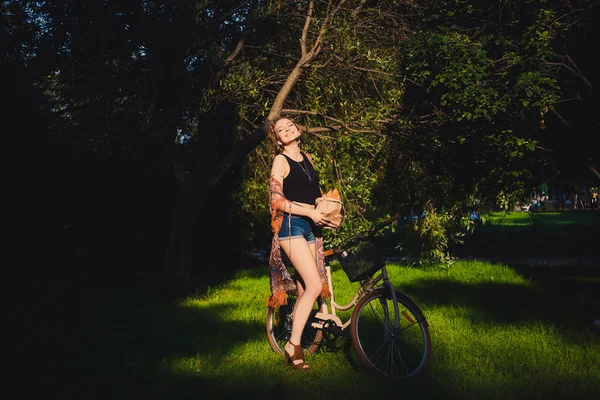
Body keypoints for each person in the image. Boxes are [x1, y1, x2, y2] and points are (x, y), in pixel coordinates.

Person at [266, 116, 339, 370]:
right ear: (278, 140)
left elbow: (315, 199)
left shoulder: (307, 158)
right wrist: (309, 213)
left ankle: (297, 339)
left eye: (290, 126)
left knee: (304, 287)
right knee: (315, 285)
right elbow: (277, 202)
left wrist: (330, 216)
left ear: (297, 130)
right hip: (291, 226)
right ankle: (292, 345)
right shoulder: (280, 161)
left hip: (311, 227)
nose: (286, 130)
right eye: (280, 130)